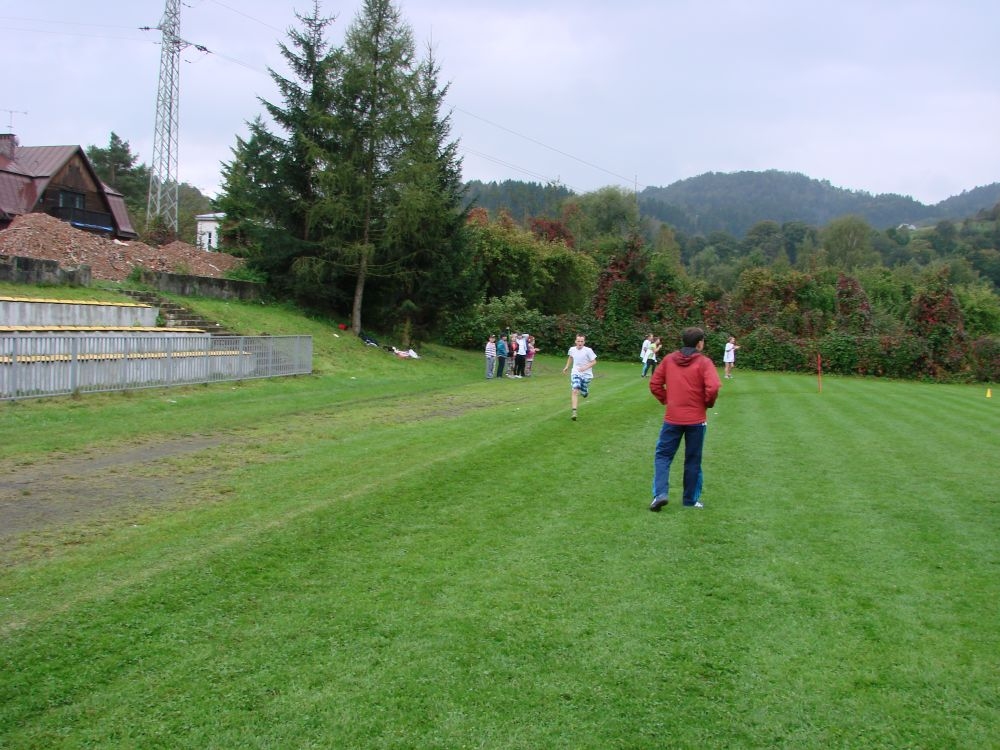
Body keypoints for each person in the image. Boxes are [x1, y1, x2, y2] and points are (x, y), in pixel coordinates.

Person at [648, 327, 721, 510]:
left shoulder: (669, 360)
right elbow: (713, 387)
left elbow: (655, 383)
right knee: (693, 459)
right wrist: (707, 403)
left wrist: (667, 399)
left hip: (672, 418)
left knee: (663, 456)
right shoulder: (704, 363)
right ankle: (690, 500)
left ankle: (660, 494)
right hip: (696, 420)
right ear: (700, 343)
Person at [562, 334, 597, 421]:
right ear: (575, 341)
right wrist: (567, 366)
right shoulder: (572, 349)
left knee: (584, 393)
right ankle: (574, 412)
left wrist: (585, 367)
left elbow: (594, 362)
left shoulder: (588, 350)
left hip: (587, 374)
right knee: (575, 390)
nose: (580, 343)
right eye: (578, 341)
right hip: (576, 372)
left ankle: (585, 391)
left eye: (582, 341)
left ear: (584, 342)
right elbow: (570, 357)